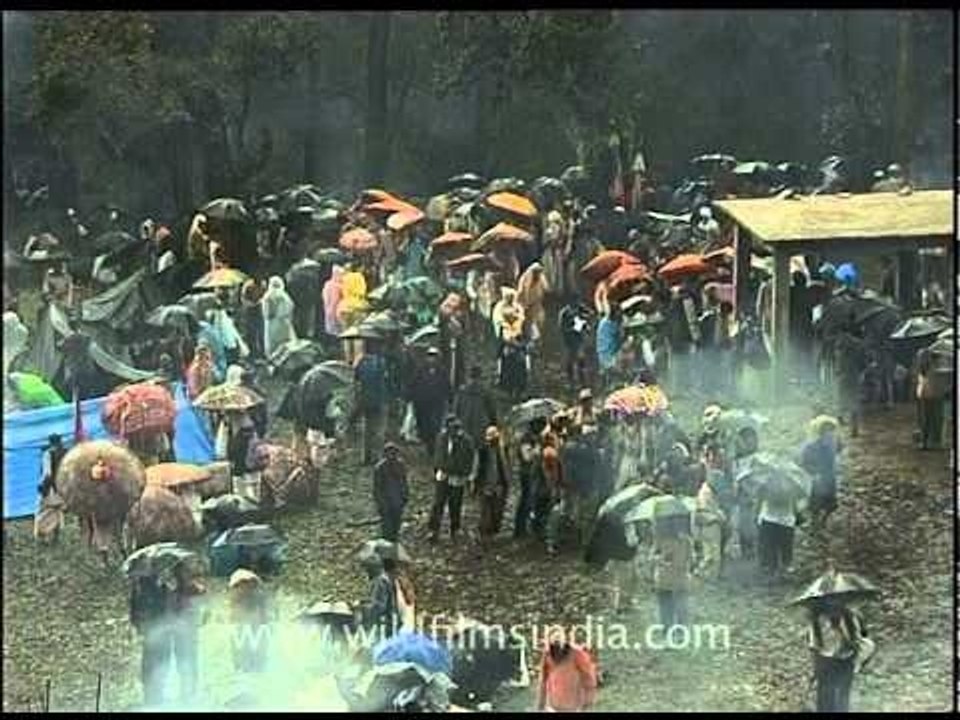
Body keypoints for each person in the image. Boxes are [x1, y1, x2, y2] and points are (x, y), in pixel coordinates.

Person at [129, 562, 206, 707]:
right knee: (155, 662)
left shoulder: (186, 582)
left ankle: (188, 696)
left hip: (182, 628)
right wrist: (138, 622)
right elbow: (137, 602)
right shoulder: (146, 581)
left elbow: (199, 600)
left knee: (186, 662)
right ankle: (153, 698)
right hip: (156, 627)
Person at [808, 597, 875, 712]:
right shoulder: (817, 619)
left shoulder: (850, 616)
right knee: (825, 695)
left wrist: (842, 631)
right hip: (825, 661)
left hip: (845, 659)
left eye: (836, 602)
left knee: (842, 694)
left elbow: (857, 640)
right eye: (829, 602)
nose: (833, 605)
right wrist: (815, 667)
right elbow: (814, 645)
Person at [429, 415, 475, 543]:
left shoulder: (466, 441)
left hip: (457, 476)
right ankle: (433, 529)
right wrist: (438, 468)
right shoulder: (442, 438)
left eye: (456, 428)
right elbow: (438, 455)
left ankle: (455, 529)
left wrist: (465, 474)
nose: (454, 431)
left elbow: (468, 459)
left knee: (455, 504)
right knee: (438, 503)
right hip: (443, 474)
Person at [756, 468, 807, 579]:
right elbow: (800, 500)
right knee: (786, 548)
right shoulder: (793, 484)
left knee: (770, 547)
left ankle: (772, 570)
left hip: (768, 520)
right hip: (787, 522)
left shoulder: (766, 483)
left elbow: (758, 497)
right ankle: (786, 569)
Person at [535, 629, 599, 713]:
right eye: (554, 638)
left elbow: (588, 677)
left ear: (564, 639)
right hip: (553, 706)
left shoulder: (577, 653)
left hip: (574, 706)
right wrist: (540, 704)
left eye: (559, 637)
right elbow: (543, 680)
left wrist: (588, 702)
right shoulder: (547, 655)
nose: (556, 640)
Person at [649, 518, 695, 632]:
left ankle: (668, 631)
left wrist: (660, 559)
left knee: (666, 608)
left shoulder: (660, 539)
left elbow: (651, 558)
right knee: (681, 608)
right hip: (680, 579)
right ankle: (680, 632)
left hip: (664, 579)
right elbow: (692, 559)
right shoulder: (686, 540)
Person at [473, 425, 510, 550]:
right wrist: (474, 483)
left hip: (498, 485)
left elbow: (505, 467)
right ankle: (484, 536)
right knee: (485, 512)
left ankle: (491, 534)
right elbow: (476, 467)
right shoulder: (482, 451)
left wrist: (506, 482)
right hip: (485, 485)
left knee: (496, 512)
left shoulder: (502, 450)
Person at [800, 416, 842, 526]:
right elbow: (805, 462)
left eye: (831, 430)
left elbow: (839, 450)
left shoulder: (833, 443)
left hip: (829, 477)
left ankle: (824, 521)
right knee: (815, 503)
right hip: (817, 479)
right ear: (820, 432)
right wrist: (814, 473)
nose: (829, 433)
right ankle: (814, 522)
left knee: (830, 504)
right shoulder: (811, 446)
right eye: (826, 430)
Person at [228, 569, 272, 673]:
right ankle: (248, 665)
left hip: (253, 621)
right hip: (247, 621)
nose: (246, 590)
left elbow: (263, 611)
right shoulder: (242, 590)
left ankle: (252, 665)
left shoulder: (255, 592)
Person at [410, 348, 451, 456]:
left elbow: (447, 386)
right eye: (430, 356)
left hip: (437, 404)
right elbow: (413, 385)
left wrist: (449, 399)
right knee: (424, 427)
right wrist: (413, 398)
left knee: (435, 427)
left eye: (434, 356)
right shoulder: (420, 370)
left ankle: (433, 448)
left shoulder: (442, 371)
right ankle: (428, 445)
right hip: (423, 405)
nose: (432, 359)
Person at [355, 340, 389, 465]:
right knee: (379, 430)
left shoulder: (361, 361)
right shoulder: (381, 362)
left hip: (366, 400)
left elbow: (356, 378)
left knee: (367, 430)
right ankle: (378, 457)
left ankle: (365, 456)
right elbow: (385, 380)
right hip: (380, 399)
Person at [453, 365, 498, 450]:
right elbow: (492, 412)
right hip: (481, 429)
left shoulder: (462, 391)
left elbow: (456, 411)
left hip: (466, 429)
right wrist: (494, 424)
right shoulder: (485, 392)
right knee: (483, 454)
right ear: (480, 377)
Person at [514, 418, 544, 538]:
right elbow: (527, 457)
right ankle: (520, 528)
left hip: (532, 473)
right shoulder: (527, 439)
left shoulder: (534, 437)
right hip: (527, 473)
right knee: (526, 500)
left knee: (531, 500)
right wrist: (537, 447)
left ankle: (528, 527)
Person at [373, 443, 408, 543]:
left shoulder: (401, 465)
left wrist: (405, 496)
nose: (392, 456)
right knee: (387, 529)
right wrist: (381, 503)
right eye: (390, 453)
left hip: (398, 501)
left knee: (396, 527)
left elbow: (404, 482)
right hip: (386, 503)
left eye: (394, 453)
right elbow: (377, 488)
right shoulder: (380, 468)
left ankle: (394, 547)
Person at [914, 346, 946, 450]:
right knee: (933, 419)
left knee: (926, 419)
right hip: (931, 395)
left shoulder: (923, 367)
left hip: (925, 395)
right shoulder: (932, 368)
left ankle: (926, 442)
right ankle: (930, 442)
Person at [261, 275, 297, 359]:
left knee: (272, 344)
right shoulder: (284, 296)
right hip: (283, 323)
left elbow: (266, 314)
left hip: (271, 324)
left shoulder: (267, 297)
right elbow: (290, 308)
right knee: (284, 344)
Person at [559, 299, 593, 387]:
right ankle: (570, 380)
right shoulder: (565, 313)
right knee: (571, 359)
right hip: (570, 339)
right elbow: (563, 328)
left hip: (579, 338)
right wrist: (573, 328)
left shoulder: (579, 308)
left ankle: (582, 380)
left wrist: (585, 320)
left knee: (581, 359)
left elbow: (590, 313)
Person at [516, 262, 550, 344]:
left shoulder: (541, 279)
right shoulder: (524, 279)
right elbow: (520, 295)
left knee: (539, 322)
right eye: (535, 272)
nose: (537, 275)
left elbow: (546, 290)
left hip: (537, 306)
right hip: (527, 307)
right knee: (529, 326)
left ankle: (538, 341)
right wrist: (524, 307)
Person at [596, 303, 624, 389]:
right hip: (608, 352)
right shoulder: (610, 324)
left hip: (605, 352)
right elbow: (619, 338)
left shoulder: (605, 321)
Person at [322, 265, 346, 341]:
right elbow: (335, 300)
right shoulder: (339, 286)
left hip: (328, 309)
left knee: (331, 329)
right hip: (336, 310)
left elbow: (324, 297)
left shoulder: (327, 284)